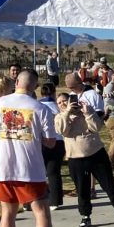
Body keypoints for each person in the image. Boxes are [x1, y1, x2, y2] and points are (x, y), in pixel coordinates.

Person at [0, 69, 66, 227]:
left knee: (7, 213)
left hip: (3, 169)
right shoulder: (41, 109)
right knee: (41, 213)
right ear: (35, 86)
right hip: (30, 169)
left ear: (16, 81)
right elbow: (50, 142)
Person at [55, 91, 114, 227]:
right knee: (82, 189)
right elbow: (62, 131)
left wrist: (88, 113)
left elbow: (96, 127)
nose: (62, 104)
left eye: (65, 100)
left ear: (72, 100)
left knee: (109, 185)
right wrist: (67, 113)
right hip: (75, 158)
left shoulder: (86, 110)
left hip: (96, 154)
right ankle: (85, 216)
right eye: (59, 103)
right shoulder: (60, 117)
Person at [38, 81, 65, 210]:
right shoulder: (58, 107)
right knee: (54, 172)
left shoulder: (37, 106)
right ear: (54, 93)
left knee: (37, 172)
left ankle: (30, 200)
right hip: (58, 141)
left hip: (41, 141)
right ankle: (55, 201)